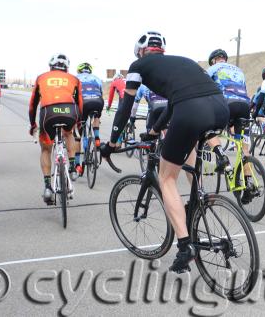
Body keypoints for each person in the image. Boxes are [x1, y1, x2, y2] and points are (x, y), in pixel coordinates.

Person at [100, 32, 229, 274]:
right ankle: (198, 199)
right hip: (220, 107)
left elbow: (126, 106)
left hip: (191, 110)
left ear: (140, 51)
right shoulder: (184, 61)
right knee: (190, 153)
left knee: (167, 178)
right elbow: (173, 103)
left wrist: (113, 142)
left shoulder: (138, 65)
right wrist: (155, 130)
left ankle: (184, 246)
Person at [28, 54, 83, 204]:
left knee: (46, 149)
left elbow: (33, 104)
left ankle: (47, 187)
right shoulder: (74, 79)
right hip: (69, 112)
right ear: (67, 67)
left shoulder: (41, 77)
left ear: (50, 67)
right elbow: (80, 103)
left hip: (48, 113)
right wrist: (79, 124)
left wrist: (33, 124)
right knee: (69, 134)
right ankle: (72, 167)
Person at [206, 49, 252, 187]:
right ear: (224, 59)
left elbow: (203, 87)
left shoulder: (213, 68)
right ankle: (249, 182)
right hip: (244, 105)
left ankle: (222, 157)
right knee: (244, 148)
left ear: (214, 60)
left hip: (227, 103)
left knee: (208, 130)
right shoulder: (238, 70)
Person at [73, 62, 104, 179]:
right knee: (96, 115)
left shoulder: (75, 78)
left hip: (84, 104)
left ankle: (77, 165)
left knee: (77, 135)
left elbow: (73, 96)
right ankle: (96, 138)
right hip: (98, 102)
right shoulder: (96, 78)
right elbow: (100, 93)